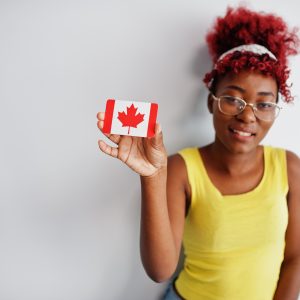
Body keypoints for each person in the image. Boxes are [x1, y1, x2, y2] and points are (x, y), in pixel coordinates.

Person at [96, 6, 300, 300]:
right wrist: (152, 175)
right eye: (233, 99)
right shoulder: (182, 168)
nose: (247, 116)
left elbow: (295, 258)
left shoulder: (290, 167)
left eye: (264, 104)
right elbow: (160, 270)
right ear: (211, 102)